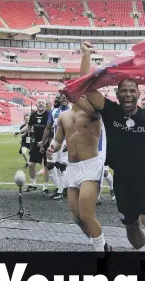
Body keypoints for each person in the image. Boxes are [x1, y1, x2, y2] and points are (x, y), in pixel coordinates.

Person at [74, 41, 145, 252]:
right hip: (122, 180)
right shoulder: (111, 110)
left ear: (137, 93)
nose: (127, 94)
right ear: (117, 94)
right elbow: (86, 87)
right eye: (123, 91)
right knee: (131, 225)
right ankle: (143, 258)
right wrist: (86, 54)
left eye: (131, 91)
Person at [46, 98, 113, 257]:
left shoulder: (94, 113)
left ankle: (101, 257)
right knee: (77, 217)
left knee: (86, 215)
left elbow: (95, 108)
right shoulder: (63, 116)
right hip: (72, 167)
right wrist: (52, 147)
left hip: (91, 165)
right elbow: (58, 139)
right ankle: (103, 245)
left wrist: (78, 93)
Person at [14, 99, 50, 194]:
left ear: (45, 104)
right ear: (36, 104)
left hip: (47, 143)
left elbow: (50, 130)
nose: (41, 104)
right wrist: (19, 131)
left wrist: (44, 142)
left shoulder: (48, 114)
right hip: (35, 143)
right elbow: (28, 127)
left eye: (43, 102)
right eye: (39, 102)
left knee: (46, 167)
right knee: (31, 164)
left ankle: (45, 187)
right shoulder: (33, 115)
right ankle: (33, 184)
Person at [40, 94, 70, 199]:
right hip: (55, 140)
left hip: (67, 141)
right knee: (50, 164)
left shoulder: (73, 111)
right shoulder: (53, 111)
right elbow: (48, 127)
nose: (65, 98)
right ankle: (59, 188)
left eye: (66, 97)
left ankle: (61, 190)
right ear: (60, 99)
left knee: (62, 166)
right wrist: (43, 142)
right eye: (63, 97)